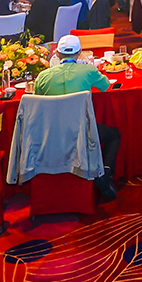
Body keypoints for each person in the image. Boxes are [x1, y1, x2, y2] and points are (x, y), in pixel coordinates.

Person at [32, 31, 122, 201]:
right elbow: (105, 86)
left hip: (52, 134)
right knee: (114, 134)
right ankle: (105, 172)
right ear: (79, 52)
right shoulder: (88, 70)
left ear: (57, 54)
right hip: (83, 132)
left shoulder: (43, 77)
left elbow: (38, 103)